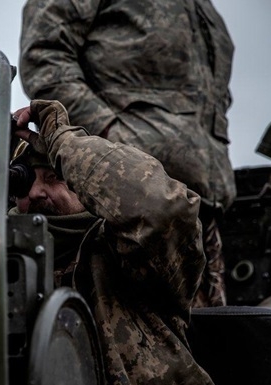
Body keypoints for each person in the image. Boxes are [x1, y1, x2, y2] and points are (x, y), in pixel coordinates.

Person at [19, 0, 236, 307]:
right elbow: (44, 59)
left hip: (199, 213)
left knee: (202, 347)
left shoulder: (204, 9)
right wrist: (112, 138)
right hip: (124, 205)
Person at [11, 99, 211, 384]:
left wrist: (63, 143)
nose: (35, 193)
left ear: (84, 183)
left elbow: (160, 211)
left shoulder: (124, 251)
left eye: (54, 177)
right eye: (22, 182)